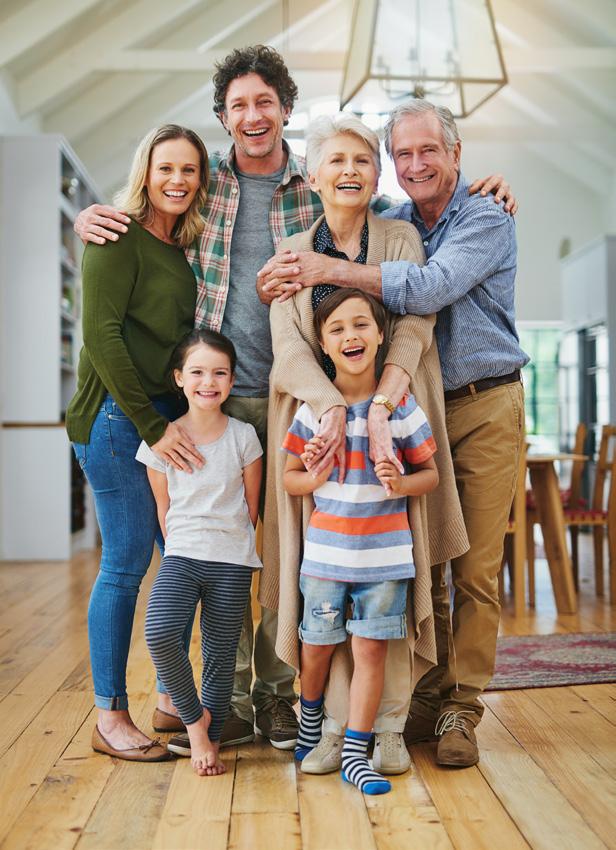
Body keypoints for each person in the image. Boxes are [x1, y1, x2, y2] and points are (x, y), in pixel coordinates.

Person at [73, 45, 517, 756]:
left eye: (266, 102)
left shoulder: (330, 194)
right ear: (224, 116)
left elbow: (402, 250)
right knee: (229, 557)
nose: (253, 115)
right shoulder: (201, 180)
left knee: (348, 558)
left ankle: (346, 705)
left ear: (286, 109)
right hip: (225, 397)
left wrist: (480, 184)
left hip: (343, 403)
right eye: (239, 105)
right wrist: (95, 216)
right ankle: (220, 699)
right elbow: (152, 203)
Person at [260, 99, 528, 768]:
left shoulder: (484, 216)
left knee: (470, 569)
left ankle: (458, 711)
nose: (414, 164)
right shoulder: (398, 219)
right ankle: (412, 707)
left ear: (455, 156)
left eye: (426, 151)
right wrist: (337, 410)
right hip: (387, 415)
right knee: (414, 570)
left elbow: (425, 297)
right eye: (401, 155)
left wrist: (377, 398)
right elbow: (292, 342)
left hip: (473, 404)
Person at [65, 124, 210, 761]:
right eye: (166, 168)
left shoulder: (184, 247)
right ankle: (109, 715)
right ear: (145, 172)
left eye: (189, 171)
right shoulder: (113, 235)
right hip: (116, 420)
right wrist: (154, 427)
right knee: (125, 565)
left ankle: (172, 700)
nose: (177, 181)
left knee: (179, 561)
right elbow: (101, 337)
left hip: (163, 419)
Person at [284, 288, 439, 795]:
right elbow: (289, 479)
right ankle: (310, 723)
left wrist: (400, 482)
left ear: (379, 336)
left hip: (387, 561)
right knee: (318, 651)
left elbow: (431, 475)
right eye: (337, 330)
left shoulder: (401, 409)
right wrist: (314, 472)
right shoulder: (312, 413)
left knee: (371, 653)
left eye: (360, 325)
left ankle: (355, 750)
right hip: (325, 560)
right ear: (324, 347)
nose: (350, 335)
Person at [139, 330, 262, 777]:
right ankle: (195, 724)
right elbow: (163, 508)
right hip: (183, 556)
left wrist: (231, 542)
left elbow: (252, 506)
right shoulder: (162, 441)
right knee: (159, 632)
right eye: (197, 372)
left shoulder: (245, 436)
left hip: (230, 559)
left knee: (220, 652)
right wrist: (183, 544)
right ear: (178, 378)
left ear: (231, 381)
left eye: (219, 373)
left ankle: (210, 736)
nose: (208, 382)